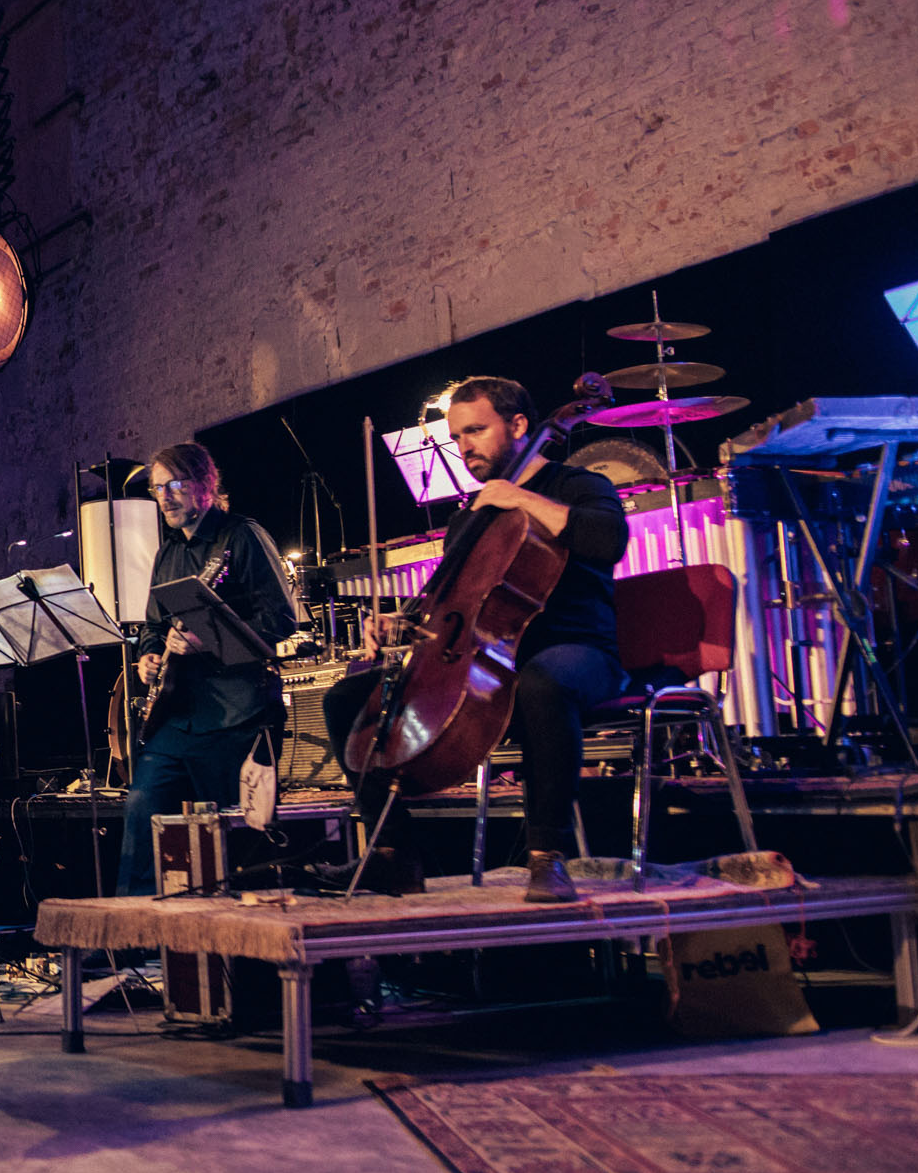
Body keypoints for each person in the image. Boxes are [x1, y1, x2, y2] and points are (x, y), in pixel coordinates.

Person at [320, 376, 628, 902]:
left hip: (579, 651)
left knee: (541, 684)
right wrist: (400, 622)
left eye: (477, 431)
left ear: (519, 426)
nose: (464, 447)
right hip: (487, 656)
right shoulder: (470, 518)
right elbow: (451, 604)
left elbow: (609, 540)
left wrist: (522, 501)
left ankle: (548, 857)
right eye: (457, 436)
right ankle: (393, 854)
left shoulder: (575, 484)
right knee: (348, 698)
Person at [119, 443, 300, 894]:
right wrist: (149, 654)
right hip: (177, 715)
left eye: (176, 485)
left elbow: (281, 620)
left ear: (206, 486)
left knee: (228, 841)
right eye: (159, 488)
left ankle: (229, 947)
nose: (165, 497)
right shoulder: (167, 554)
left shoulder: (241, 537)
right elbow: (154, 626)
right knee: (141, 812)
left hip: (235, 715)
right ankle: (131, 941)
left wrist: (207, 642)